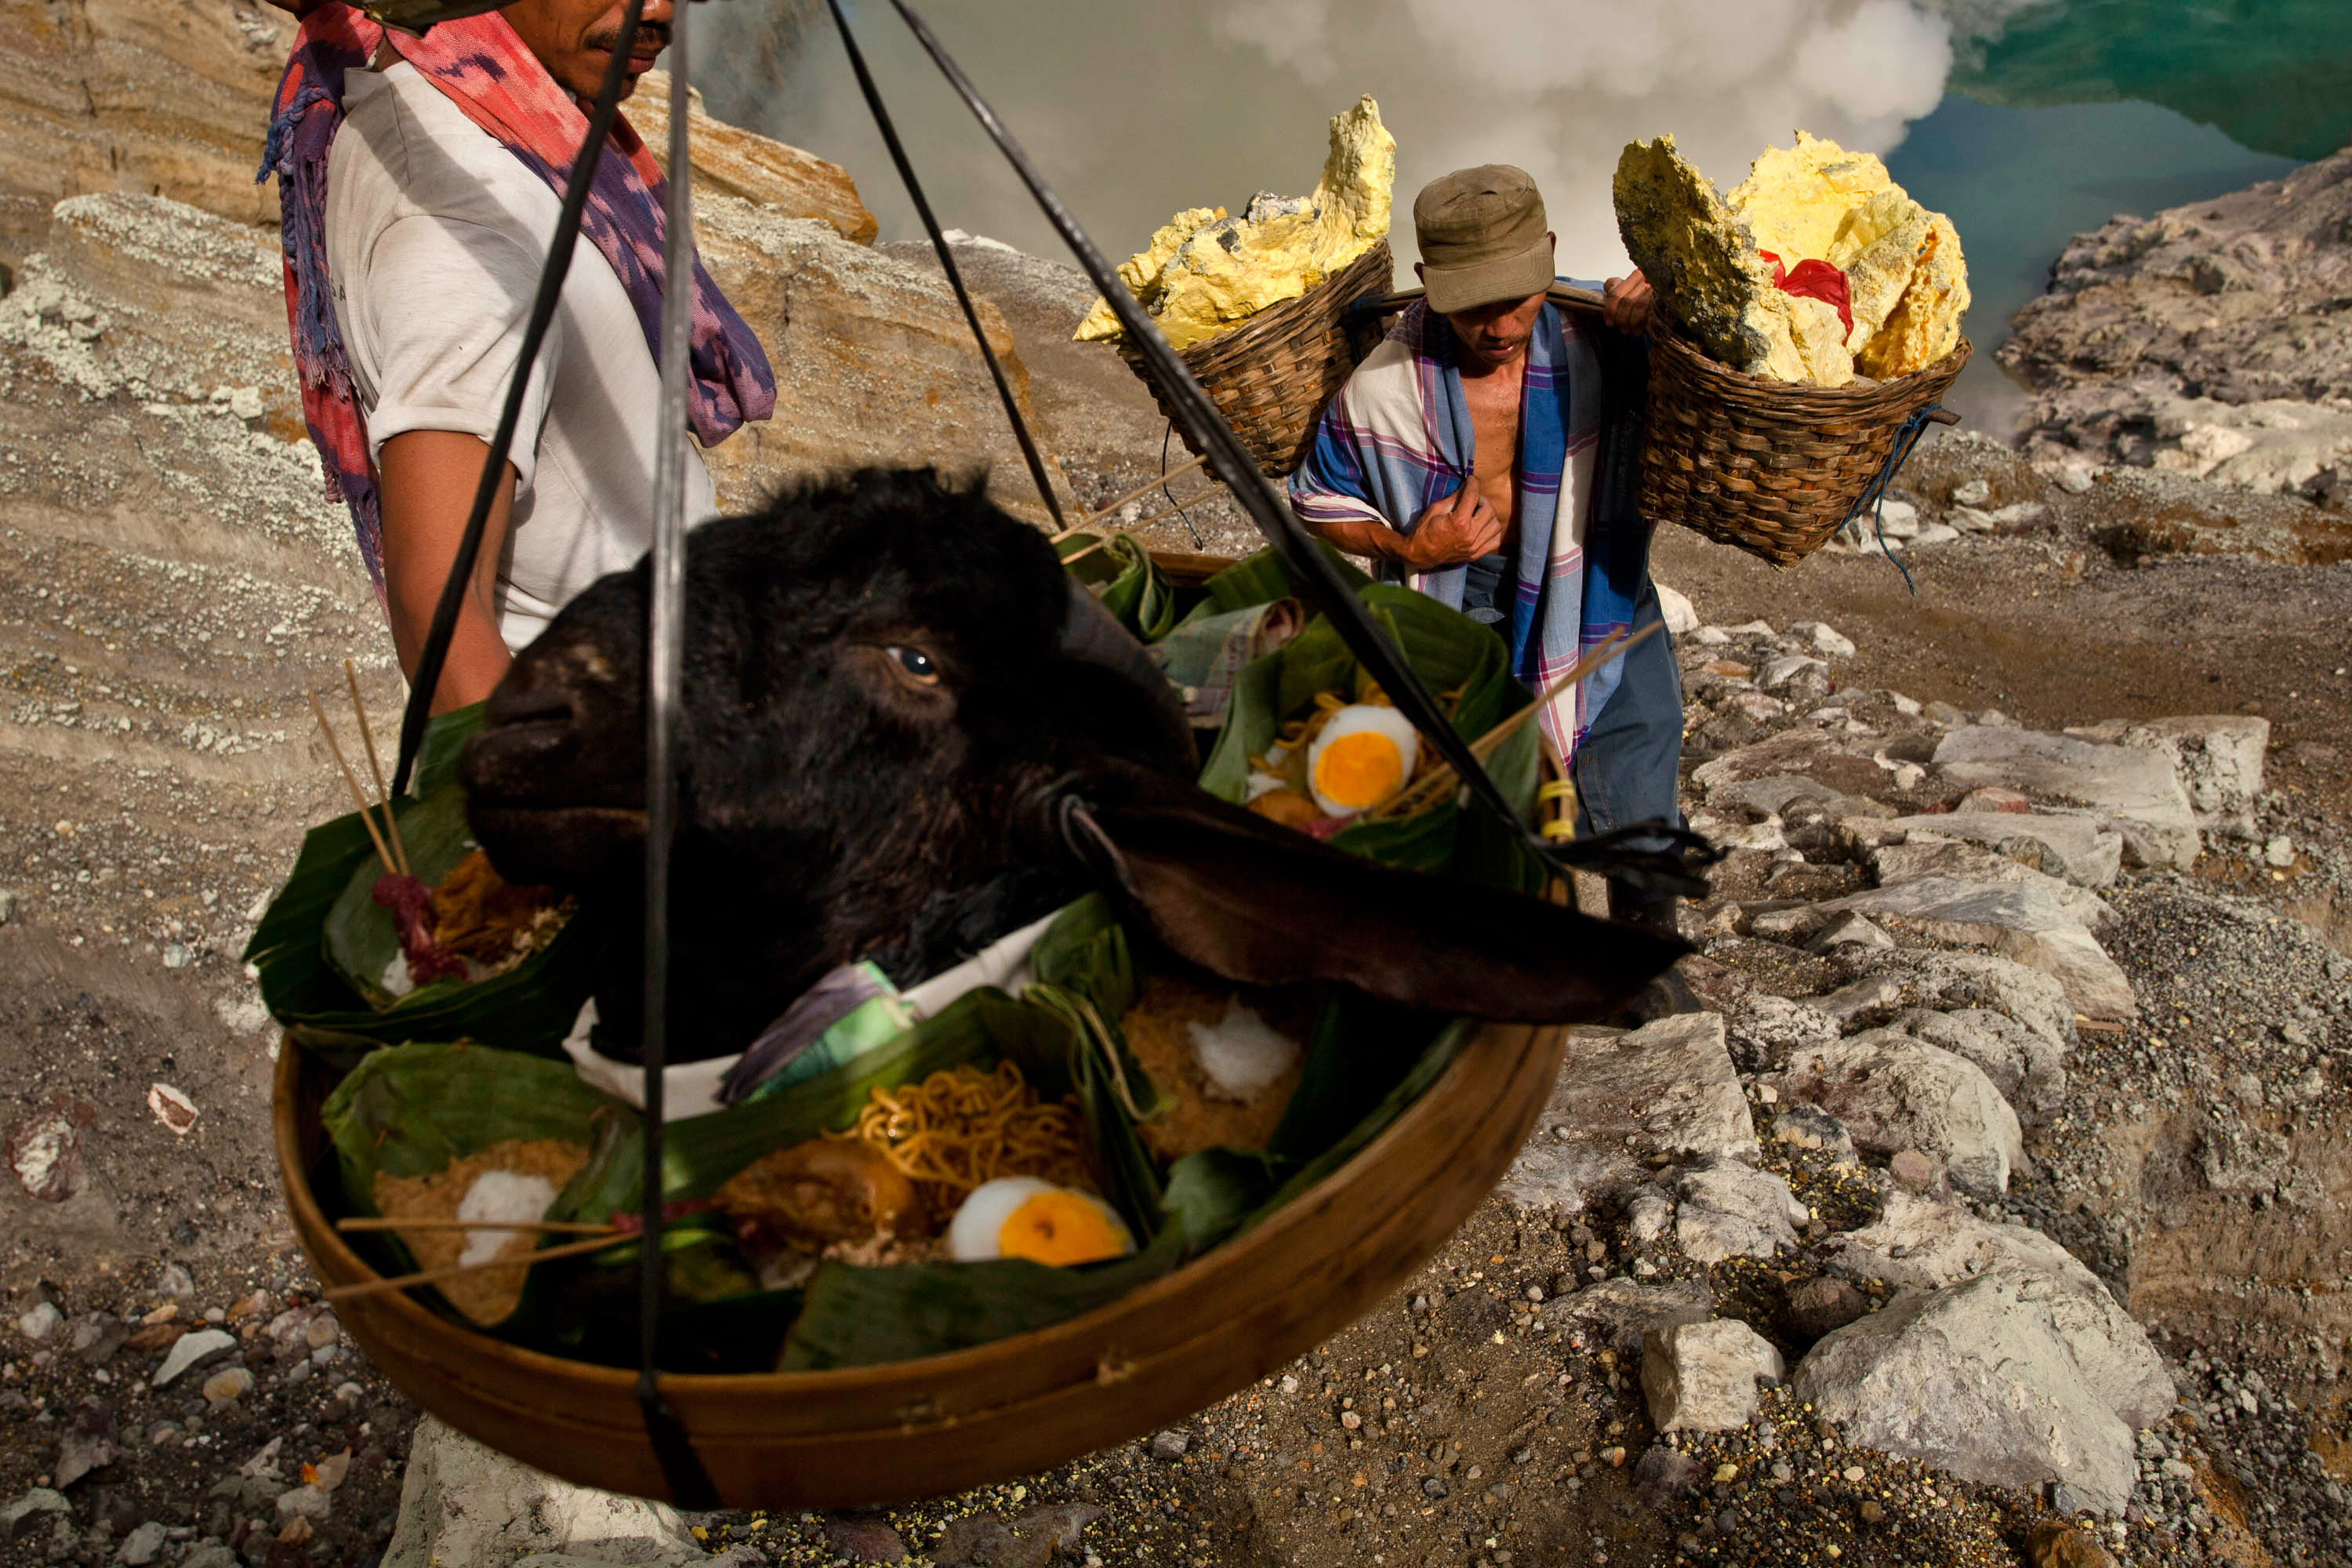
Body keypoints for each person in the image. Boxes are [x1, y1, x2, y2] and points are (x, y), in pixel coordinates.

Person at [261, 0, 776, 711]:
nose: (659, 9)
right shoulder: (468, 228)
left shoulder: (486, 119)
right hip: (617, 731)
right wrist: (527, 775)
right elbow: (440, 611)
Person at [1290, 165, 1692, 955]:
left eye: (1515, 297)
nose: (1499, 325)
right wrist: (1409, 546)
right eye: (1472, 305)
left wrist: (1668, 315)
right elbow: (1318, 496)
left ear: (1549, 254)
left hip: (1594, 578)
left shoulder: (1600, 332)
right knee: (1477, 781)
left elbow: (1719, 370)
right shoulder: (1384, 389)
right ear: (1428, 283)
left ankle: (1644, 957)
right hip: (1460, 595)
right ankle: (1493, 953)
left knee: (1644, 737)